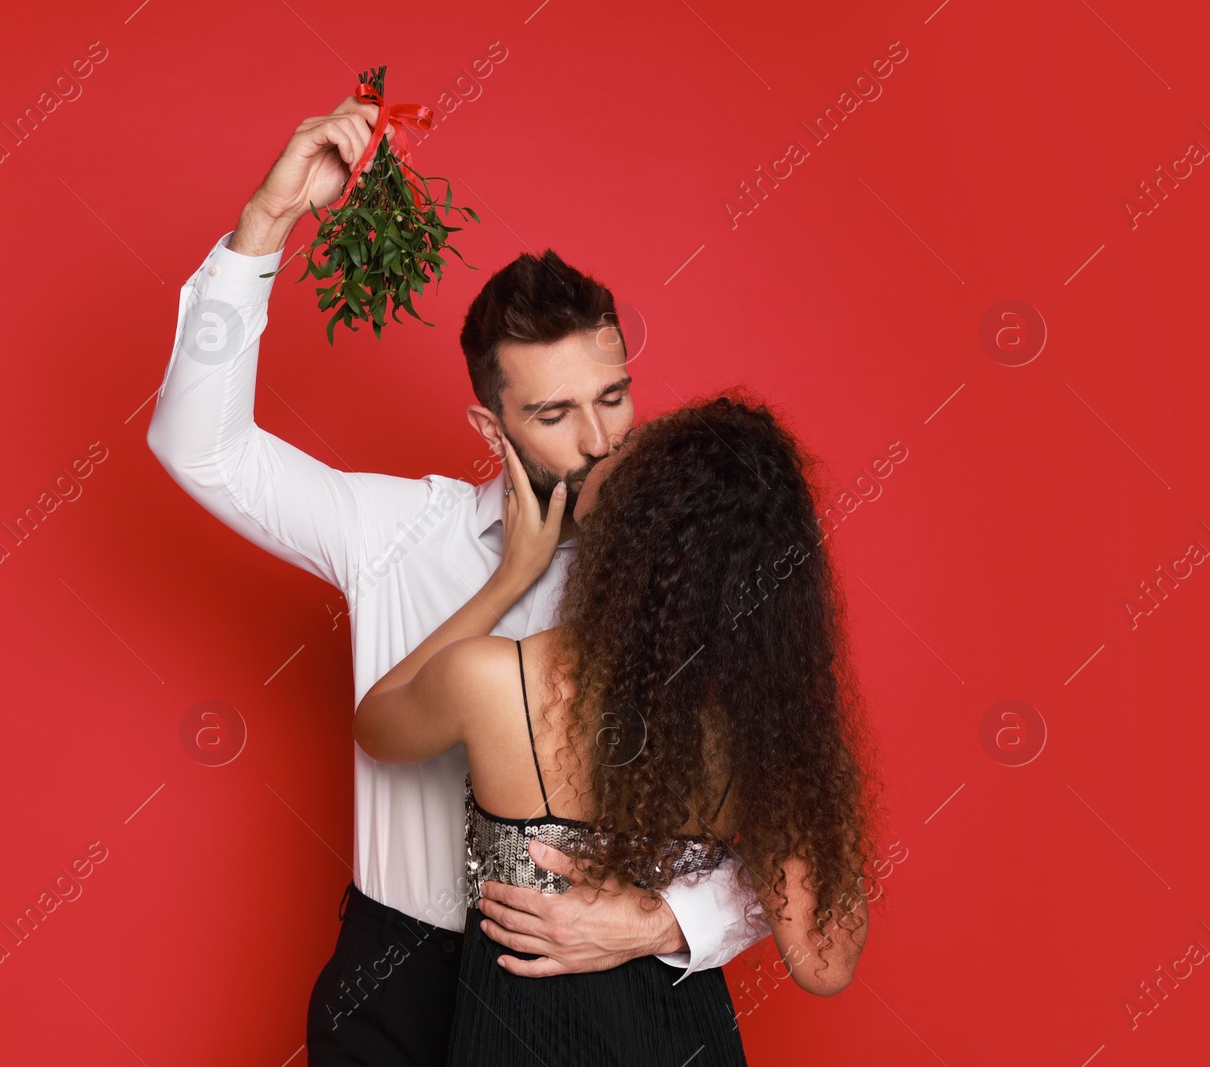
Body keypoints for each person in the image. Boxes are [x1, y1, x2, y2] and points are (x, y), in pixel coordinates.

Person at [147, 93, 768, 1066]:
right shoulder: (395, 527)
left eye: (612, 395)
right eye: (556, 411)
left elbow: (790, 821)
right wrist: (265, 222)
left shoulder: (693, 560)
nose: (600, 437)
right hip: (396, 970)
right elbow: (200, 446)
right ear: (492, 428)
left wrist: (663, 923)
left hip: (583, 980)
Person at [353, 396, 878, 1065]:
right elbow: (825, 959)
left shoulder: (492, 681)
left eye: (620, 453)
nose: (600, 445)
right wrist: (669, 919)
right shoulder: (765, 728)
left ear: (623, 537)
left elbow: (378, 722)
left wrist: (509, 578)